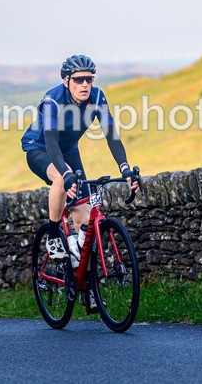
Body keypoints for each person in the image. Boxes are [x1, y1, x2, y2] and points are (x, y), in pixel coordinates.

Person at [21, 55, 138, 289]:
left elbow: (111, 134)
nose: (85, 84)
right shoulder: (52, 100)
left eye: (89, 79)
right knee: (60, 181)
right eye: (79, 80)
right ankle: (54, 236)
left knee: (84, 212)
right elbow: (51, 143)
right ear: (67, 81)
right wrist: (65, 174)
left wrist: (125, 168)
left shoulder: (96, 97)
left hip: (69, 150)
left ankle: (83, 279)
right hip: (40, 149)